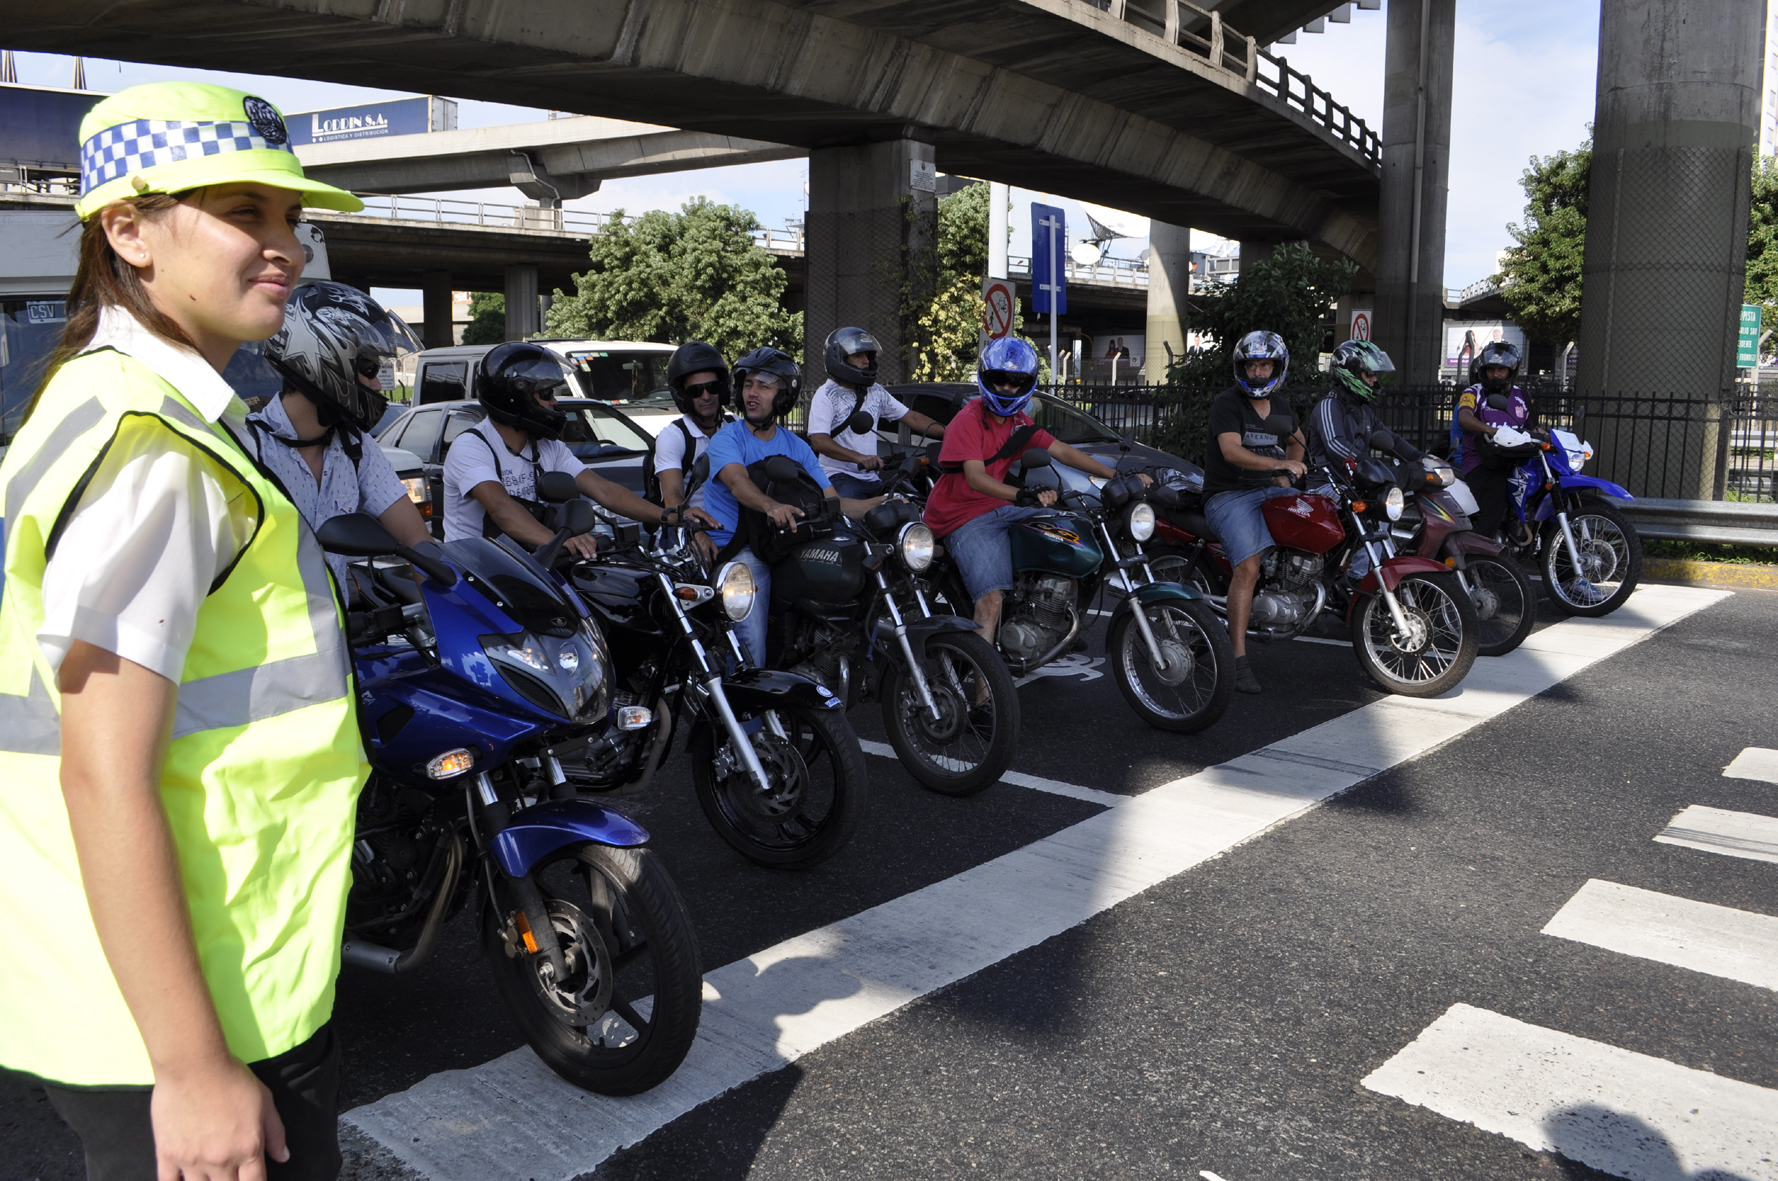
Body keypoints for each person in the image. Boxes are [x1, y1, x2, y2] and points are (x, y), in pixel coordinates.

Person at [0, 81, 369, 1180]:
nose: (285, 246)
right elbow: (102, 772)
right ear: (127, 228)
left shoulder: (97, 399)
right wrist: (194, 1064)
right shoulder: (154, 450)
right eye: (242, 213)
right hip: (195, 994)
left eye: (291, 219)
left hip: (141, 973)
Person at [923, 337, 1138, 646]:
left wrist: (1115, 474)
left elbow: (1062, 451)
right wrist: (1021, 494)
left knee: (1070, 532)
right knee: (991, 601)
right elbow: (975, 478)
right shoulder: (967, 420)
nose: (1007, 389)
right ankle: (985, 691)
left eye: (1017, 382)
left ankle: (1052, 620)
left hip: (1001, 507)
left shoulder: (1020, 423)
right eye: (1000, 380)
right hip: (962, 517)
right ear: (986, 378)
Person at [245, 279, 433, 596]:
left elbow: (417, 542)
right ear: (323, 358)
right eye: (369, 369)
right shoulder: (248, 447)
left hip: (337, 634)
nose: (377, 386)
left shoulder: (355, 446)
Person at [442, 342, 713, 553]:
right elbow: (502, 510)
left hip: (527, 565)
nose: (554, 403)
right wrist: (558, 541)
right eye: (547, 394)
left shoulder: (547, 447)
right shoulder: (472, 447)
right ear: (517, 398)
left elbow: (604, 490)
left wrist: (669, 515)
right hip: (476, 573)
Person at [705, 347, 878, 665]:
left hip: (787, 544)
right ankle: (746, 712)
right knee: (752, 645)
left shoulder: (796, 446)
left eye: (764, 386)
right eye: (748, 385)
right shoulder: (727, 439)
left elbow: (831, 500)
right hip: (741, 552)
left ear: (783, 397)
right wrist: (770, 506)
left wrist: (877, 505)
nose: (752, 394)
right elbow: (737, 483)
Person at [1202, 330, 1308, 695]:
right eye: (1252, 365)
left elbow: (1298, 442)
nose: (1259, 373)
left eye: (1265, 365)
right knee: (1247, 567)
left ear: (1276, 367)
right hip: (1228, 494)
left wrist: (1290, 471)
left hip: (1265, 490)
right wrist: (1275, 467)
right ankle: (1237, 660)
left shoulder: (1279, 406)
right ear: (1242, 368)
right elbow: (1231, 451)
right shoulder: (1228, 404)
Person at [806, 326, 943, 500]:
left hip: (872, 478)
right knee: (846, 522)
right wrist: (859, 458)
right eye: (858, 355)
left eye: (868, 355)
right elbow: (819, 441)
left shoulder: (875, 392)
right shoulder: (826, 394)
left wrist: (951, 432)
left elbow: (912, 418)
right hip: (839, 478)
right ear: (838, 358)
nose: (866, 361)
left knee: (911, 506)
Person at [1450, 340, 1534, 538]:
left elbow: (1533, 427)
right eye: (1491, 369)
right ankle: (1479, 562)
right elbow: (1464, 417)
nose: (1495, 374)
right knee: (1491, 513)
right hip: (1482, 462)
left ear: (1511, 370)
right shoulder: (1474, 392)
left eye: (1501, 369)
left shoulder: (1522, 395)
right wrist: (1491, 431)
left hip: (1517, 460)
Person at [653, 340, 733, 514]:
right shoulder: (674, 436)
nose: (706, 396)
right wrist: (691, 527)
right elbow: (672, 495)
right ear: (682, 396)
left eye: (713, 387)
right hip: (691, 530)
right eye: (696, 391)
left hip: (735, 531)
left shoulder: (735, 426)